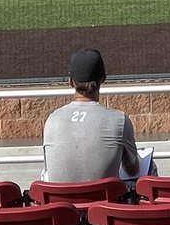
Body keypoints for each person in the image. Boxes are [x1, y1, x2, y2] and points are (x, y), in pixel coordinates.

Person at [42, 48, 142, 181]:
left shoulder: (52, 119)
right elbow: (132, 170)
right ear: (103, 79)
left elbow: (50, 169)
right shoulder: (119, 120)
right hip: (104, 201)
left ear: (71, 82)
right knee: (149, 169)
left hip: (61, 201)